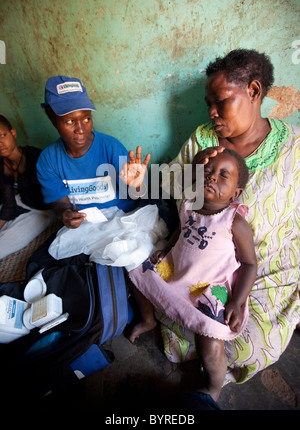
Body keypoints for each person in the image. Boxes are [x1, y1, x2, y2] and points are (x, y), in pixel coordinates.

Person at [155, 49, 300, 388]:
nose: (212, 113)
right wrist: (195, 171)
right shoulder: (202, 139)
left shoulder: (293, 148)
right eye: (208, 104)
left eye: (220, 102)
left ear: (253, 91)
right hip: (202, 257)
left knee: (246, 342)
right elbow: (179, 200)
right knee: (180, 322)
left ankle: (215, 374)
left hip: (260, 264)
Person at [129, 148, 257, 401]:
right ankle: (147, 319)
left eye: (223, 176)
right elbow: (181, 231)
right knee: (137, 271)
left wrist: (237, 302)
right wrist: (165, 250)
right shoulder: (189, 204)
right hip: (177, 270)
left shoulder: (234, 222)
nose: (211, 178)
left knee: (210, 343)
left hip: (205, 288)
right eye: (207, 172)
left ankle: (212, 387)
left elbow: (250, 264)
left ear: (236, 193)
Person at [36, 76, 150, 229]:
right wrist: (65, 214)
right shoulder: (48, 160)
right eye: (70, 121)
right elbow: (60, 203)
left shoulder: (111, 147)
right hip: (85, 223)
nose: (81, 129)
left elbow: (138, 196)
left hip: (122, 217)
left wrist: (136, 185)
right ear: (52, 119)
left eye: (86, 119)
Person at [0, 115, 54, 259]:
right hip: (20, 200)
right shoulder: (2, 166)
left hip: (43, 210)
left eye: (2, 135)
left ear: (13, 133)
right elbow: (8, 204)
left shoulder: (35, 157)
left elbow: (54, 194)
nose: (0, 143)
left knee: (5, 243)